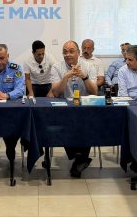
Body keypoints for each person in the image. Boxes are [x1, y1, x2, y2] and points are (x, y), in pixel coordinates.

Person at [50, 40, 98, 177]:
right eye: (65, 52)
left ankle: (80, 158)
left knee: (87, 122)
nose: (68, 54)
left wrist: (85, 77)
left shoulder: (89, 66)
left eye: (71, 51)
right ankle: (80, 157)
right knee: (63, 122)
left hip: (85, 107)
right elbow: (56, 93)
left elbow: (94, 91)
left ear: (78, 53)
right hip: (64, 107)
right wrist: (66, 77)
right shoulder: (57, 67)